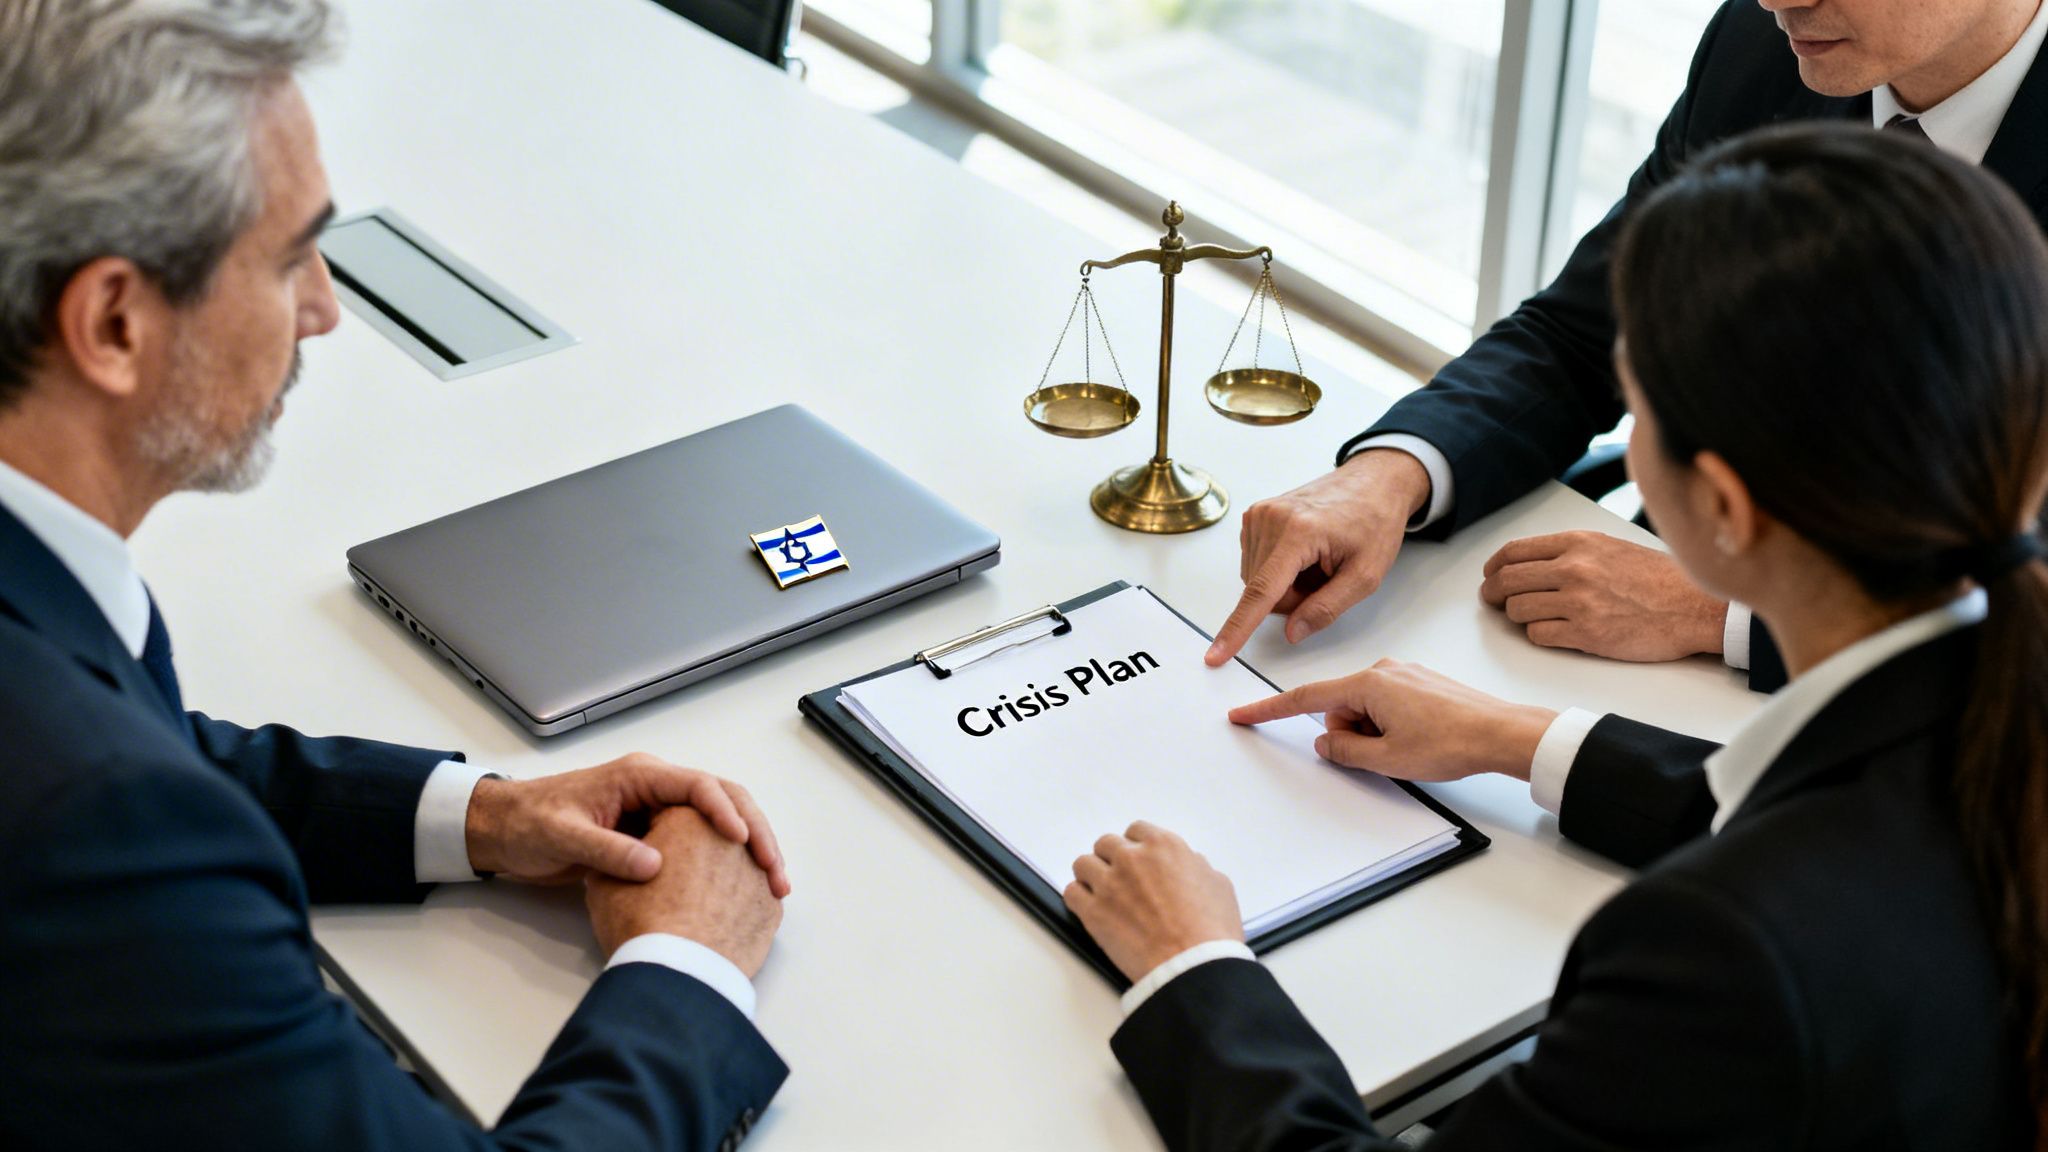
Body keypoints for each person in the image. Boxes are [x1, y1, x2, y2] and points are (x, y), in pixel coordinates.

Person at [1066, 124, 2045, 1149]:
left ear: (1716, 505)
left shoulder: (1716, 960)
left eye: (1638, 408)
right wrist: (1515, 740)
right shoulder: (1990, 713)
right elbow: (1835, 814)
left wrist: (1194, 968)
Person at [0, 2, 793, 1147]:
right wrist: (689, 963)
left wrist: (484, 816)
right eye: (286, 259)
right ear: (113, 322)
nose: (325, 309)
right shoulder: (97, 835)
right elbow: (109, 810)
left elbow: (136, 749)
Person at [1207, 0, 2048, 789]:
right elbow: (1586, 329)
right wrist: (1392, 474)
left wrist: (1728, 607)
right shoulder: (1764, 50)